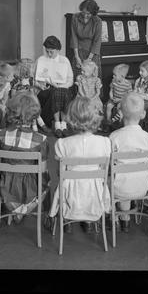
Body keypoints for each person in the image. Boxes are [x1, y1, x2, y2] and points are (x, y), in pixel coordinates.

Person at [49, 97, 111, 234]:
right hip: (95, 192)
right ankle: (89, 222)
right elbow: (103, 169)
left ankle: (67, 220)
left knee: (63, 183)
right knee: (90, 183)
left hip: (70, 192)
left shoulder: (62, 143)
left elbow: (61, 172)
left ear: (70, 118)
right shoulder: (105, 142)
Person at [0, 91, 50, 223]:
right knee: (47, 179)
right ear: (34, 114)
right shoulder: (41, 139)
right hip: (32, 191)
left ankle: (16, 209)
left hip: (5, 188)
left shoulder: (1, 134)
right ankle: (38, 212)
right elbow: (42, 171)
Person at [109, 92, 148, 233]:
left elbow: (110, 163)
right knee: (130, 176)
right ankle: (126, 217)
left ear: (121, 113)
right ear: (143, 114)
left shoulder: (114, 137)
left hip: (120, 188)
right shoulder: (147, 138)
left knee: (110, 178)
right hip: (143, 187)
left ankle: (118, 219)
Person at [34, 36, 74, 138]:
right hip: (45, 89)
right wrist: (39, 85)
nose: (49, 54)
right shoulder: (41, 59)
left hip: (61, 87)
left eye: (52, 52)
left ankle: (61, 124)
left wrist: (62, 86)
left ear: (58, 50)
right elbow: (34, 79)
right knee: (54, 92)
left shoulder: (64, 60)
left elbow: (70, 80)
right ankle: (58, 124)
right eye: (47, 51)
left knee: (59, 92)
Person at [70, 0, 103, 81]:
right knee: (78, 78)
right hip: (79, 51)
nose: (85, 15)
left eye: (88, 14)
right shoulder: (75, 17)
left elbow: (97, 41)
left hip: (92, 53)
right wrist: (77, 56)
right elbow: (74, 37)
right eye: (83, 12)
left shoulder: (98, 21)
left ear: (93, 13)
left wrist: (88, 59)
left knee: (92, 79)